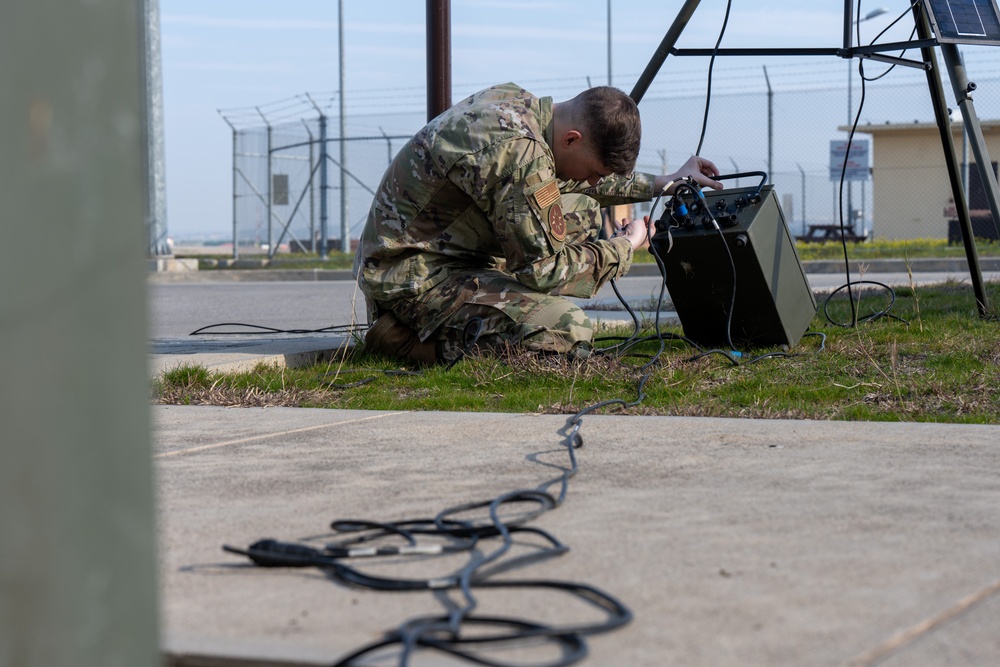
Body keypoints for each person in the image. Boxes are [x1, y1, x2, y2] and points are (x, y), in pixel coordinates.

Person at [353, 82, 722, 365]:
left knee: (583, 210)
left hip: (443, 254)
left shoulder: (522, 107)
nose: (593, 181)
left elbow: (573, 182)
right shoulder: (520, 155)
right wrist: (624, 246)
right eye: (595, 171)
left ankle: (496, 305)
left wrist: (664, 182)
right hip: (411, 279)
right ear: (572, 139)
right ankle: (403, 340)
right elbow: (545, 271)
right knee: (568, 328)